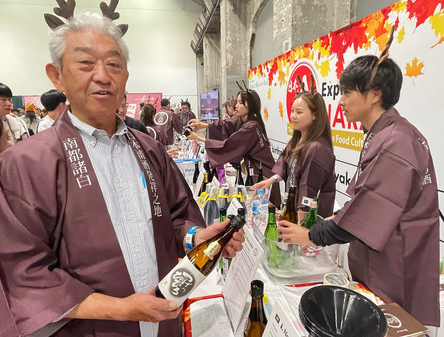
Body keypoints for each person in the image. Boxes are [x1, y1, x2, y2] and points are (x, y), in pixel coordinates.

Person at [0, 10, 244, 337]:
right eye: (85, 64)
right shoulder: (24, 164)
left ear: (126, 76)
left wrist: (195, 237)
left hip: (162, 320)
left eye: (113, 64)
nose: (102, 76)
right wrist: (121, 308)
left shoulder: (149, 149)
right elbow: (23, 275)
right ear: (56, 76)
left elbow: (175, 216)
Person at [278, 53, 440, 327]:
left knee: (387, 324)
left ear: (375, 94)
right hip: (384, 254)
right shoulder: (386, 132)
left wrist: (312, 235)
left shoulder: (395, 140)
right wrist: (335, 219)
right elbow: (366, 199)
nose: (340, 101)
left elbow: (371, 211)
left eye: (347, 92)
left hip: (395, 263)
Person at [187, 88, 281, 206]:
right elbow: (225, 125)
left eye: (241, 103)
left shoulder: (251, 126)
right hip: (255, 171)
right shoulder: (242, 120)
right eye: (237, 102)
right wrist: (203, 125)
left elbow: (228, 145)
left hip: (263, 174)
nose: (236, 106)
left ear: (250, 106)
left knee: (263, 210)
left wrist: (198, 138)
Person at [253, 88, 335, 219]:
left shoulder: (316, 148)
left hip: (309, 219)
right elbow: (286, 168)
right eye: (292, 111)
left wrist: (298, 224)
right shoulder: (297, 140)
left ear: (315, 115)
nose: (293, 116)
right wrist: (270, 181)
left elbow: (308, 191)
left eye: (299, 112)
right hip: (293, 210)